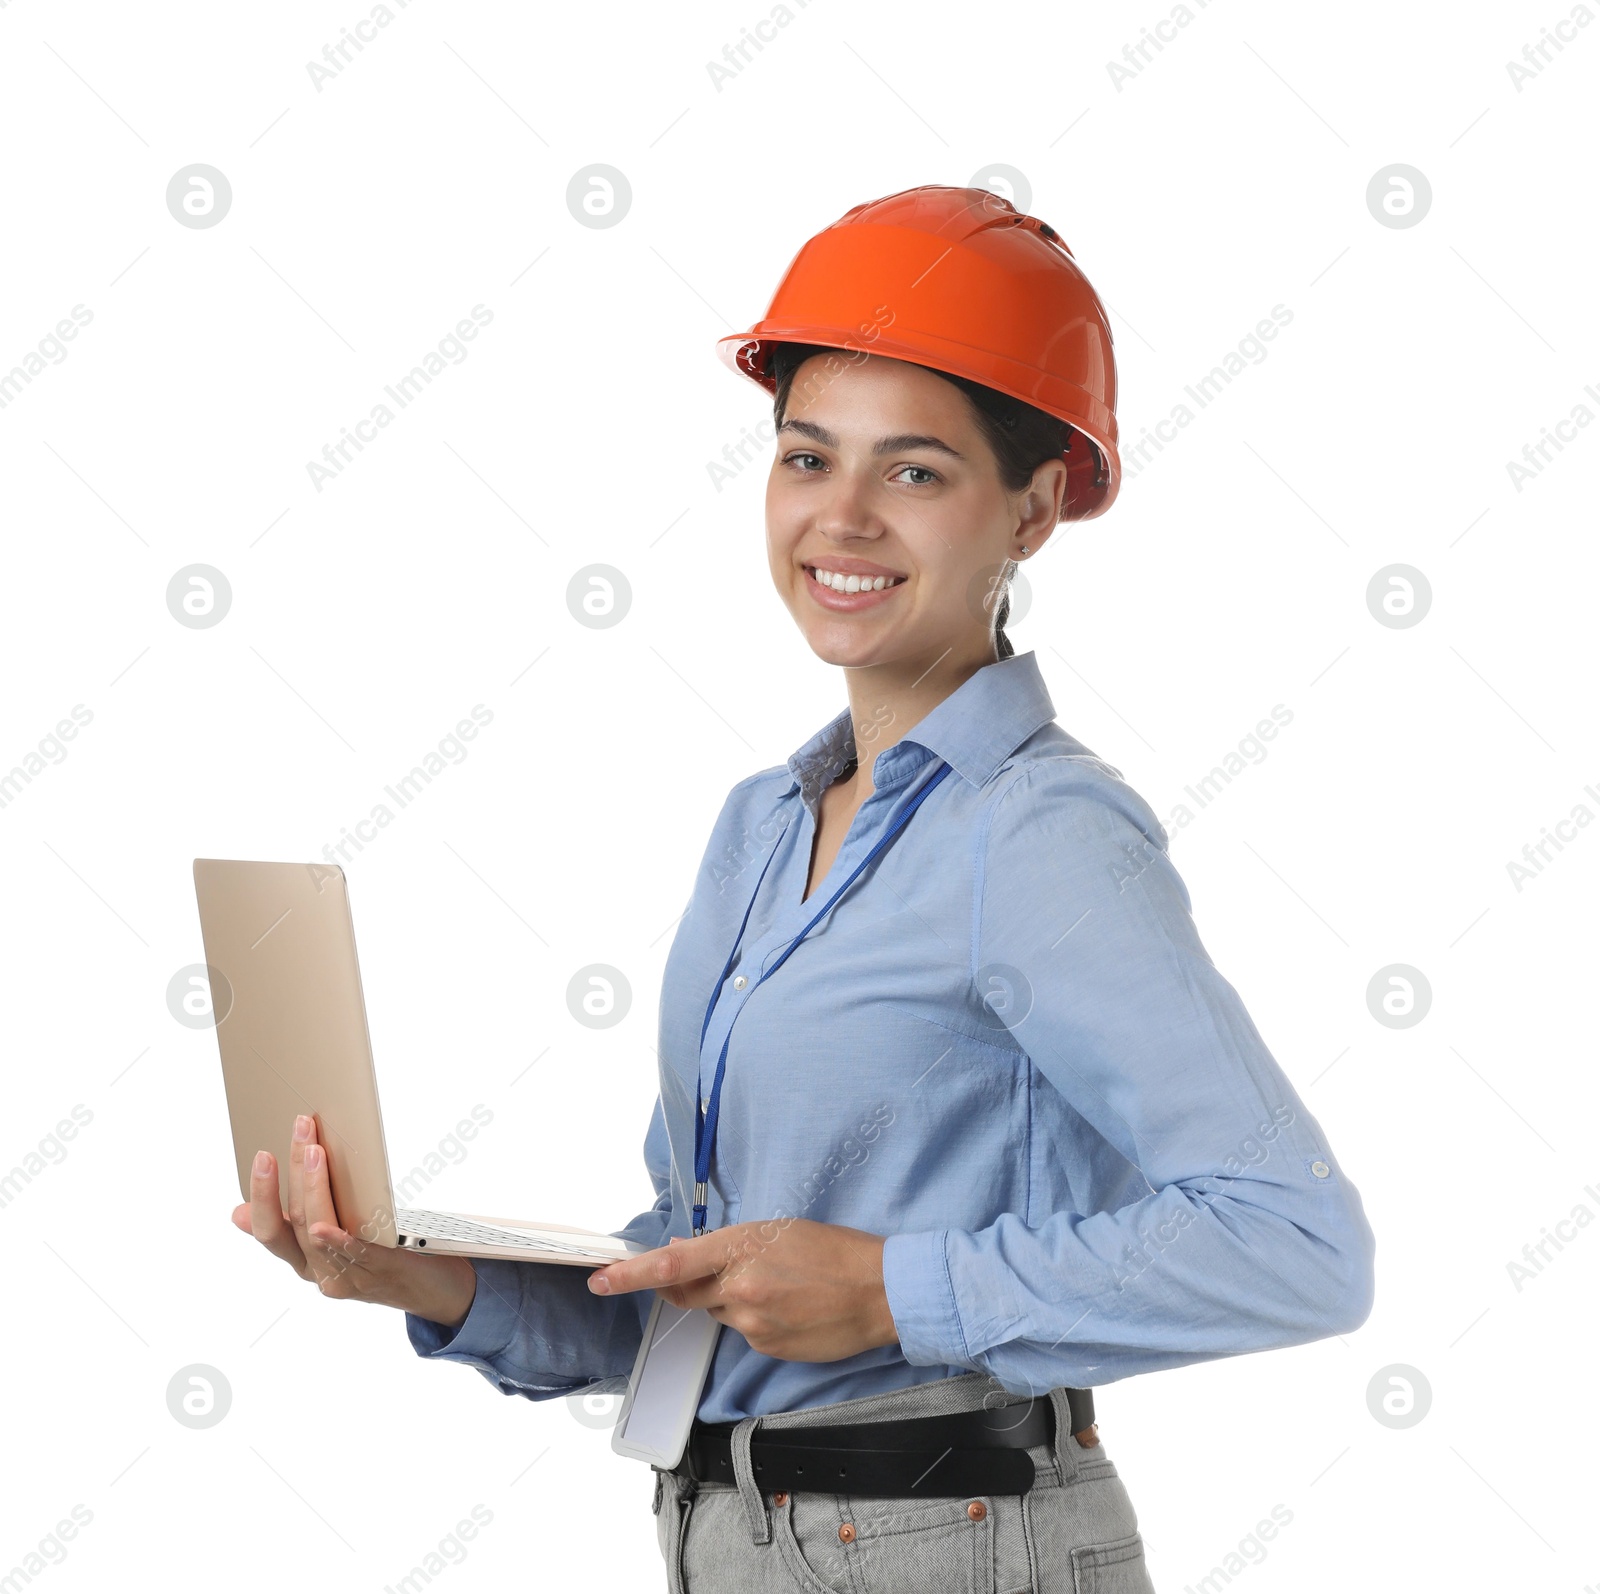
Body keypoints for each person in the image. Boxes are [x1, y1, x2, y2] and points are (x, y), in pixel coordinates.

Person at [233, 186, 1376, 1594]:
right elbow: (713, 1285)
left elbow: (1297, 1243)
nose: (840, 516)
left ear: (1032, 508)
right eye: (804, 456)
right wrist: (422, 1276)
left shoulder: (1041, 835)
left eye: (913, 471)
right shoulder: (759, 830)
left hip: (947, 1535)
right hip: (737, 1534)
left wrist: (895, 1289)